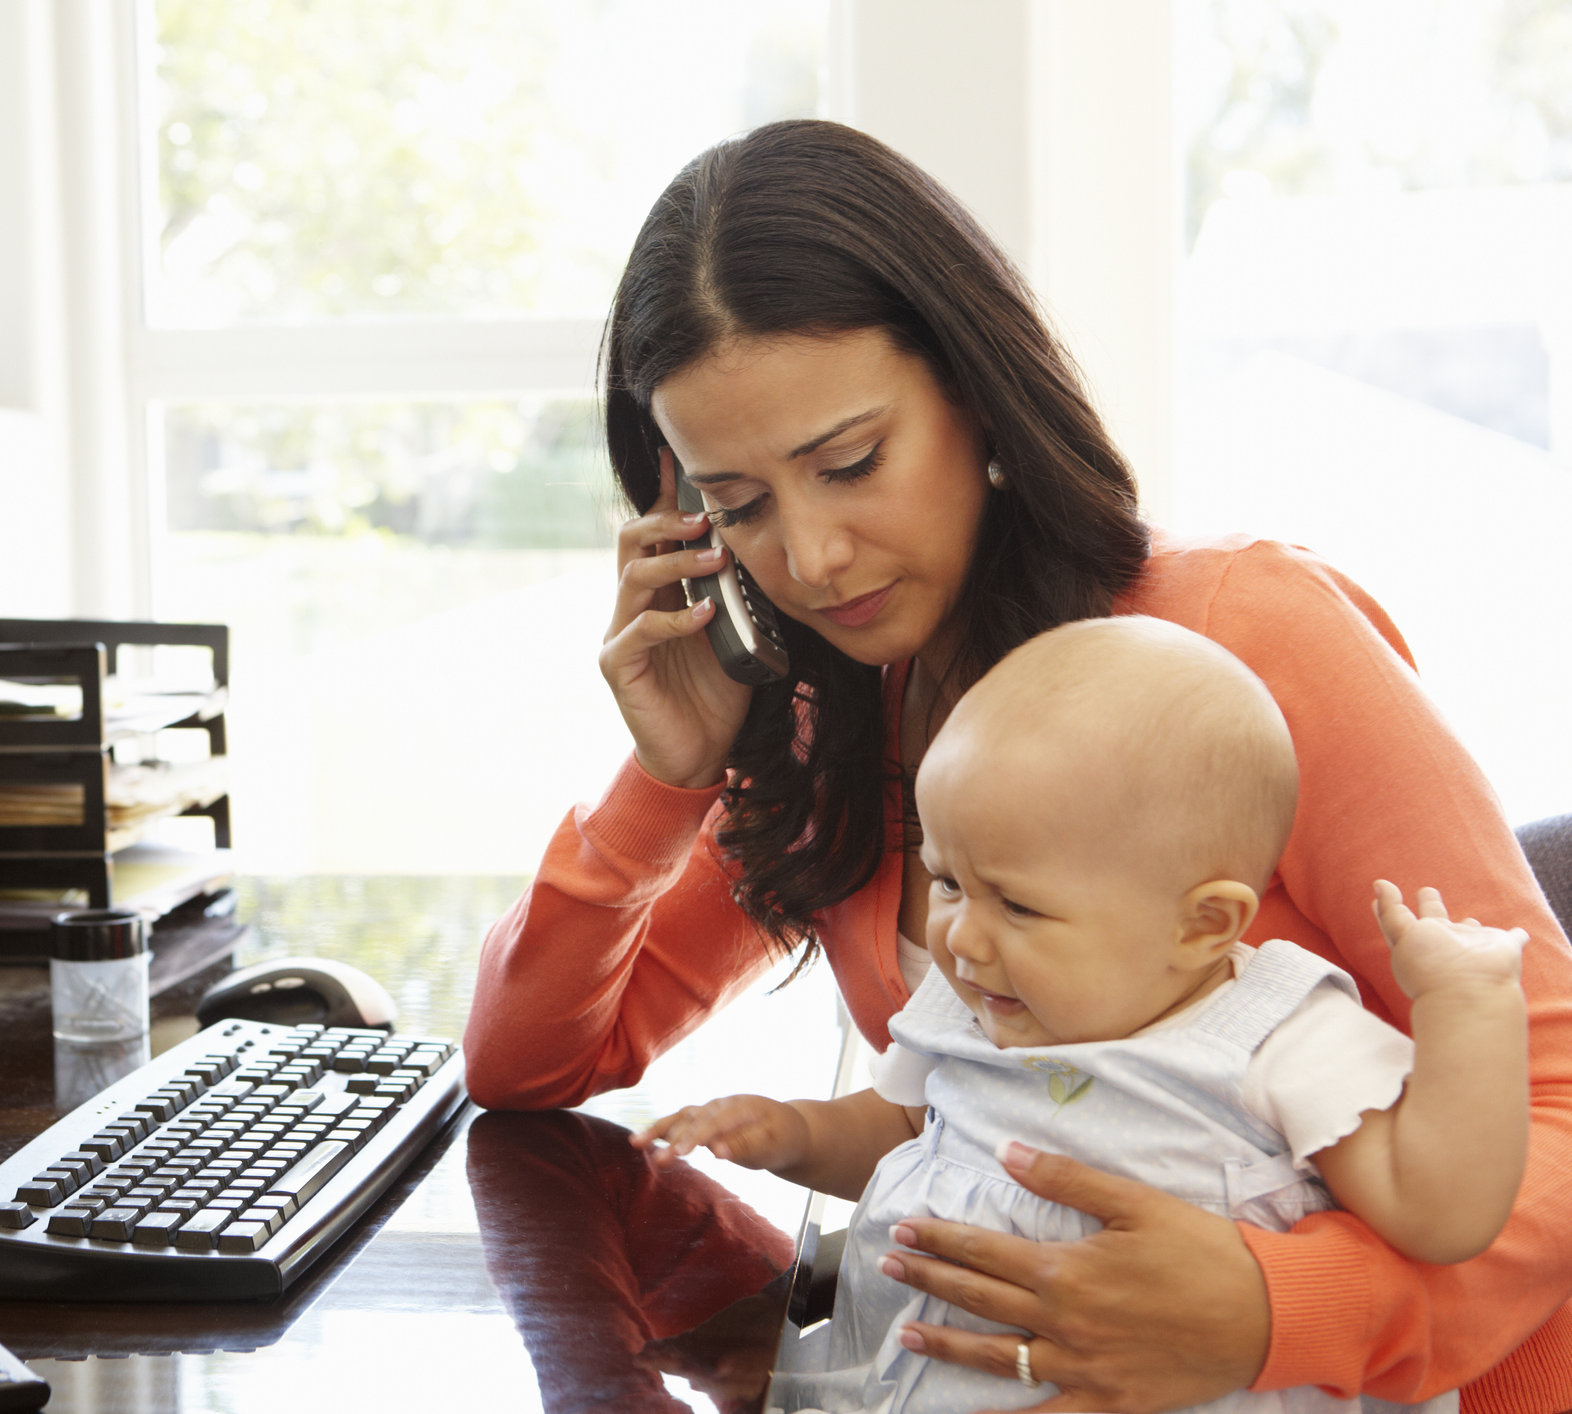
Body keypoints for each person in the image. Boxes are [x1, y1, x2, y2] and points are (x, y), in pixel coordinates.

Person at [459, 118, 1572, 1413]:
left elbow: (1551, 1101)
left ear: (976, 394)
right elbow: (527, 1060)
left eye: (850, 462)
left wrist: (1276, 1308)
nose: (810, 558)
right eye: (740, 506)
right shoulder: (835, 714)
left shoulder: (1240, 637)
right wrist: (672, 771)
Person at [632, 616, 1531, 1414]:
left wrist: (1469, 1013)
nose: (963, 937)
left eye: (1017, 906)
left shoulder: (1279, 1038)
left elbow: (1440, 1215)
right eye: (946, 881)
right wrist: (789, 1132)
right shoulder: (979, 997)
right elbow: (906, 1129)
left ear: (1202, 923)